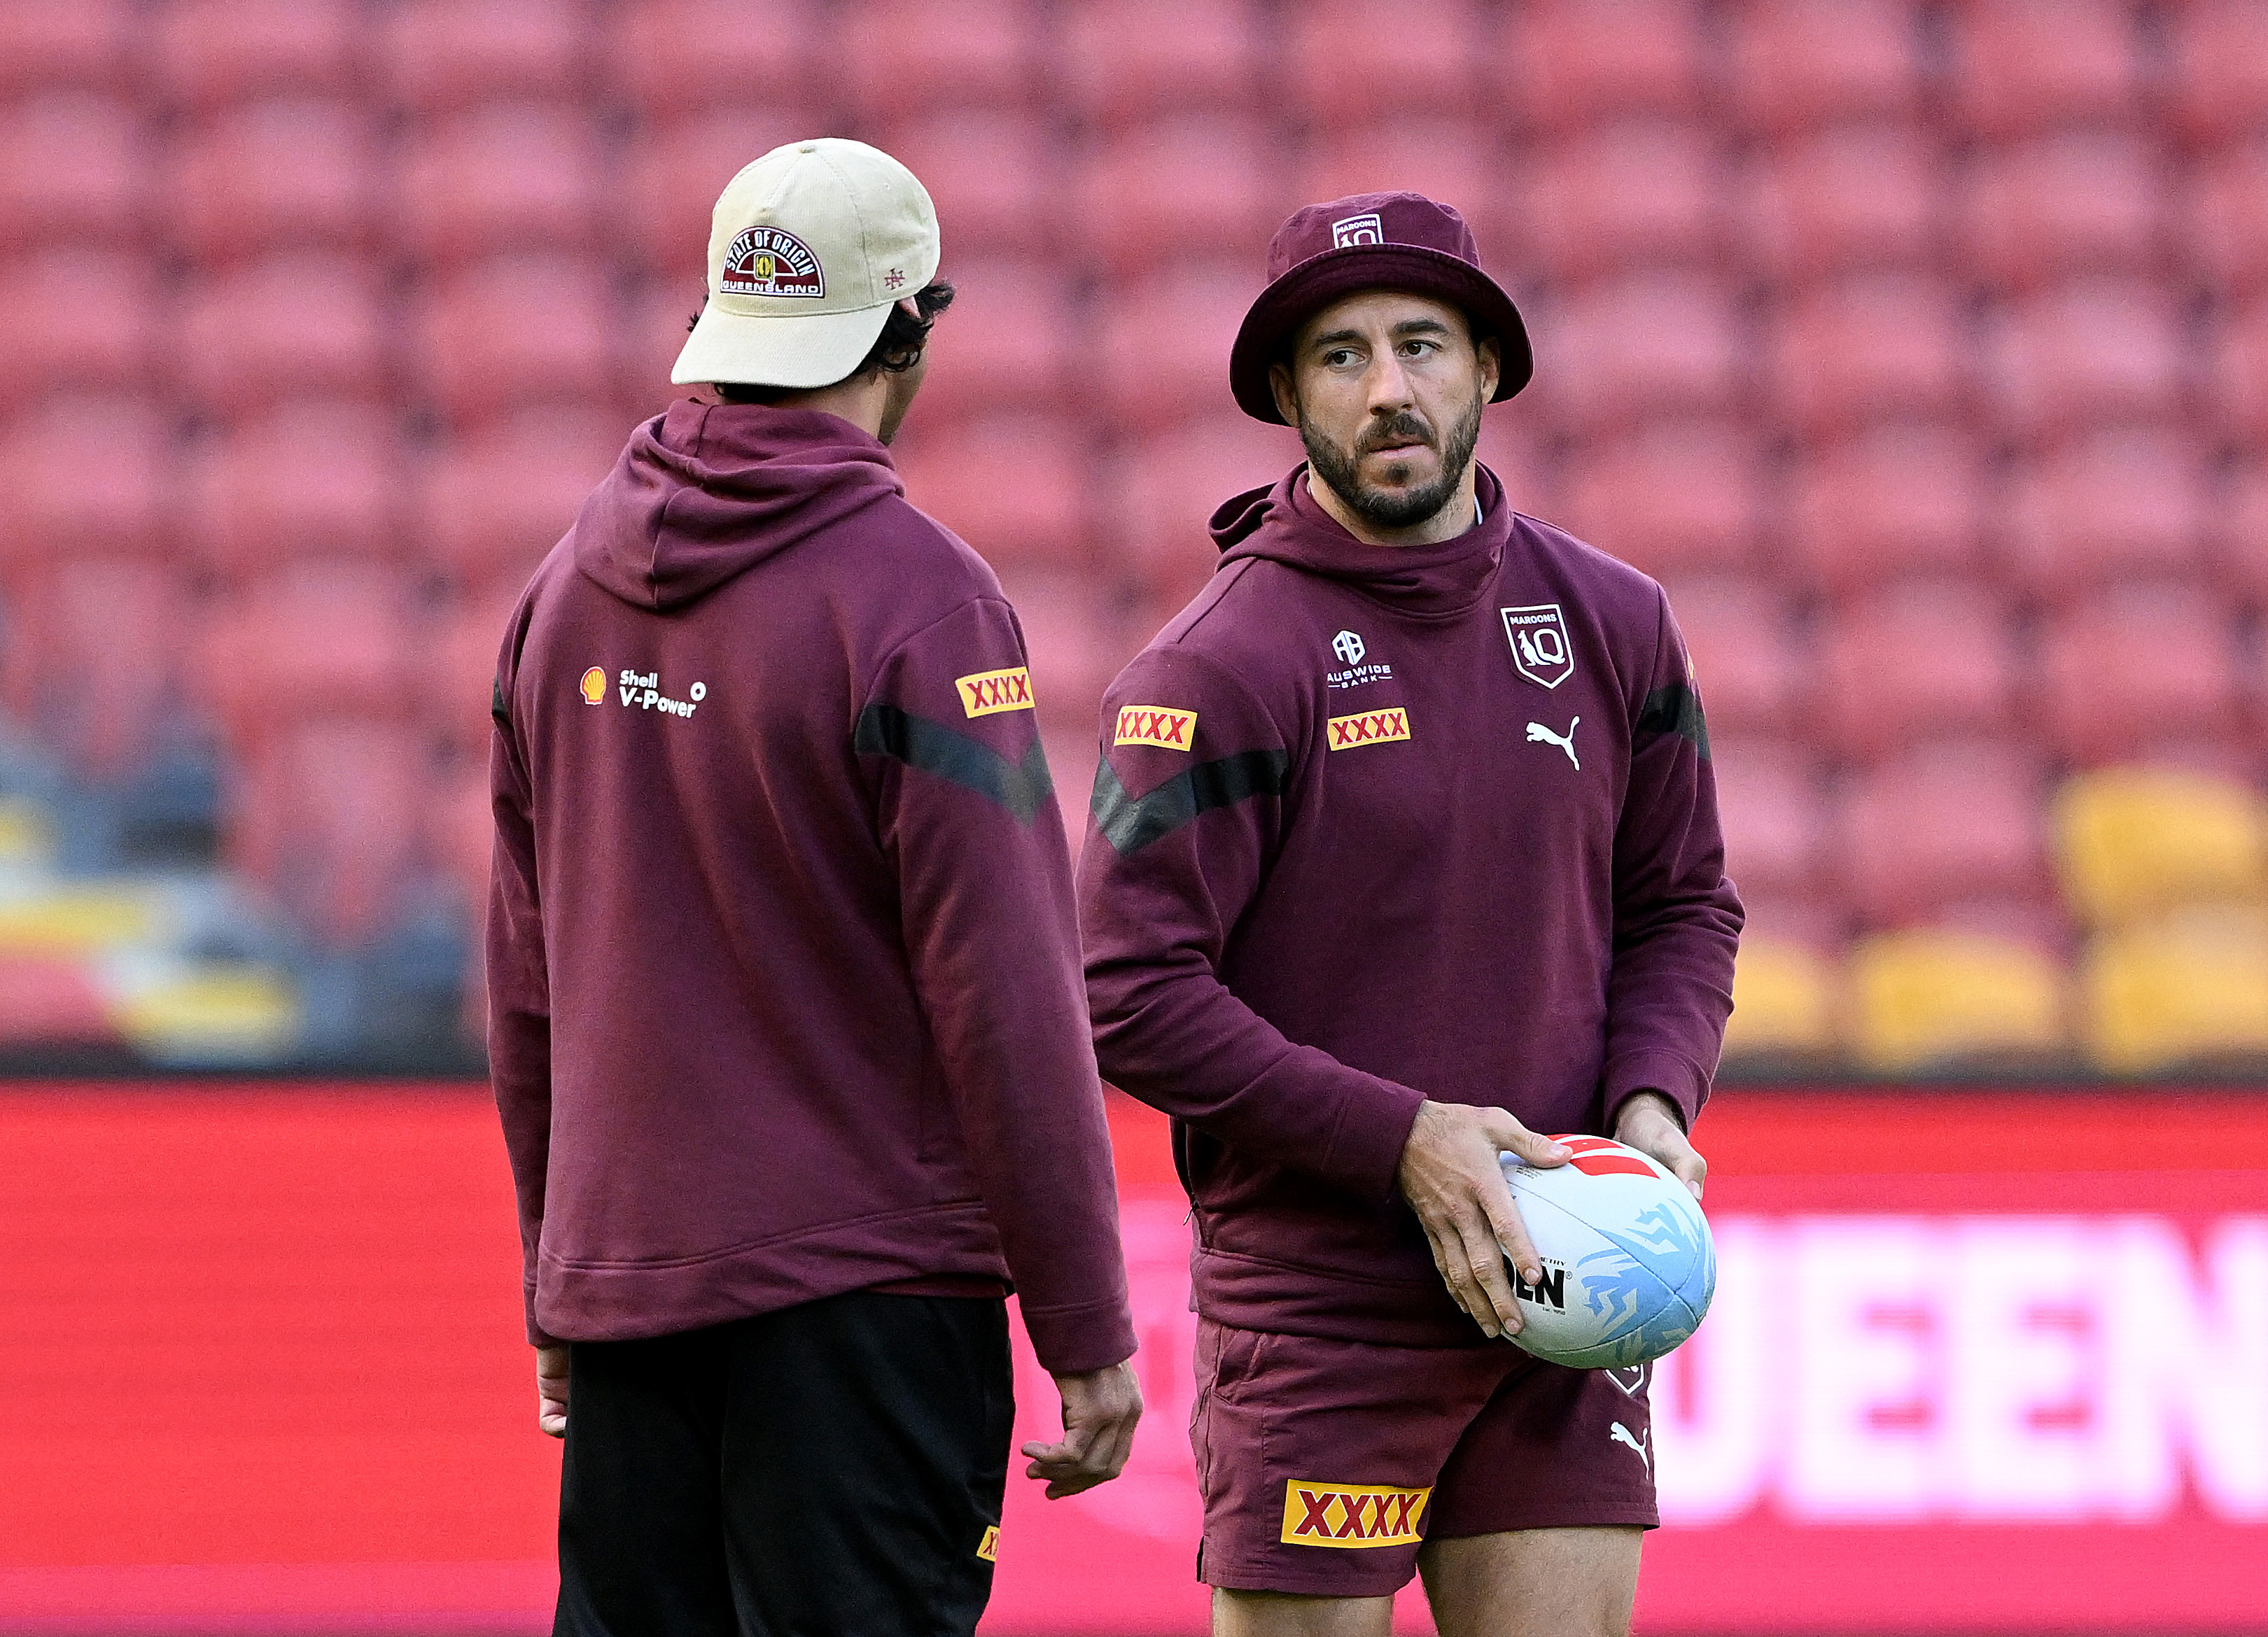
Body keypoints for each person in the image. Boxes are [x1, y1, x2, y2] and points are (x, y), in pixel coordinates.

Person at [486, 138, 1142, 1637]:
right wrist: (1087, 1327)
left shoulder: (559, 590)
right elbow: (1006, 992)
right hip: (865, 1312)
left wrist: (559, 1271)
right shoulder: (921, 600)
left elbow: (527, 974)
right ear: (907, 327)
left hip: (630, 1292)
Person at [1074, 191, 1744, 1637]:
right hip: (1327, 1310)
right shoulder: (1214, 667)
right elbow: (1125, 993)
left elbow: (1682, 904)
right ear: (1283, 395)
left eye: (1423, 345)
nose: (1389, 389)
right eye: (1340, 356)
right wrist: (1407, 1142)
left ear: (1489, 369)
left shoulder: (1616, 621)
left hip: (1570, 1287)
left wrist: (1648, 1109)